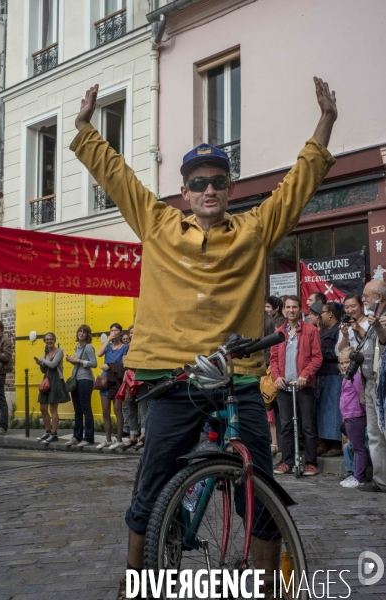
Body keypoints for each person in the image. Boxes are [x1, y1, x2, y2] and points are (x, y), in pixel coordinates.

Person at [71, 77, 337, 597]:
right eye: (198, 182)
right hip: (173, 374)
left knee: (261, 496)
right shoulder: (158, 222)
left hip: (236, 374)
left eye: (218, 180)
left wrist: (325, 122)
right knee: (151, 490)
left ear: (229, 188)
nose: (209, 189)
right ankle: (137, 583)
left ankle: (265, 586)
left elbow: (298, 186)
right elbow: (118, 176)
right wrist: (84, 129)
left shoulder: (255, 229)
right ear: (186, 192)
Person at [271, 295, 323, 476]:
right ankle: (287, 461)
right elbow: (274, 359)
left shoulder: (310, 330)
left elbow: (317, 357)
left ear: (300, 309)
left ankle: (311, 462)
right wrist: (276, 377)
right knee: (285, 426)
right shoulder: (279, 332)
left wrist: (305, 375)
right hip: (284, 386)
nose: (291, 310)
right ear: (284, 309)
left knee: (307, 425)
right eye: (288, 307)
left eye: (294, 307)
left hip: (304, 385)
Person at [358, 280, 386, 492]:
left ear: (378, 297)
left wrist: (377, 325)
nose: (363, 298)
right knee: (374, 434)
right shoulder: (370, 318)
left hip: (382, 385)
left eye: (366, 295)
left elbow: (384, 339)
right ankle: (380, 479)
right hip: (370, 381)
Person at [316, 302, 343, 456]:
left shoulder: (339, 330)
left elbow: (338, 353)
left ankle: (335, 443)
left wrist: (320, 352)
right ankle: (324, 441)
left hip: (333, 373)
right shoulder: (326, 330)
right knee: (324, 409)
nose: (321, 316)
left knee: (333, 409)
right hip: (323, 374)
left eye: (323, 313)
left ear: (330, 314)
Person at [338, 347, 367, 488]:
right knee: (353, 446)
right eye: (342, 362)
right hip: (349, 416)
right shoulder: (346, 377)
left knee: (358, 448)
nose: (344, 365)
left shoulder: (355, 377)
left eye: (347, 362)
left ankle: (359, 477)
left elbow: (362, 397)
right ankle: (354, 474)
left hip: (356, 415)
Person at [96, 323, 128, 450]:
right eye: (111, 330)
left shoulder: (125, 347)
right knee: (105, 411)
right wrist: (108, 339)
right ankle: (108, 439)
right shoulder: (108, 346)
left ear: (120, 332)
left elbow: (125, 365)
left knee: (117, 410)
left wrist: (110, 366)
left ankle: (119, 439)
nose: (113, 332)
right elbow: (99, 354)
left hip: (117, 381)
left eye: (116, 330)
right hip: (105, 380)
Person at [65, 325, 97, 448]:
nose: (81, 334)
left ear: (87, 335)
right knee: (77, 411)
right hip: (76, 380)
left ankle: (88, 438)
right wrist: (71, 360)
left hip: (85, 380)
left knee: (86, 410)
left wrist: (78, 361)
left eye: (84, 332)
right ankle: (77, 436)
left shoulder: (88, 347)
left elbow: (94, 363)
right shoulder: (77, 347)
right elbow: (78, 361)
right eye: (79, 331)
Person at [35, 332, 71, 443]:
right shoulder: (45, 353)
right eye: (47, 339)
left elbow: (53, 364)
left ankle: (54, 434)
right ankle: (47, 431)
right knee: (43, 408)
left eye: (51, 339)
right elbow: (44, 369)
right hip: (46, 380)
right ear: (44, 341)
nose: (49, 341)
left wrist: (43, 360)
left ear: (54, 340)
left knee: (53, 409)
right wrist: (40, 364)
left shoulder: (59, 351)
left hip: (56, 381)